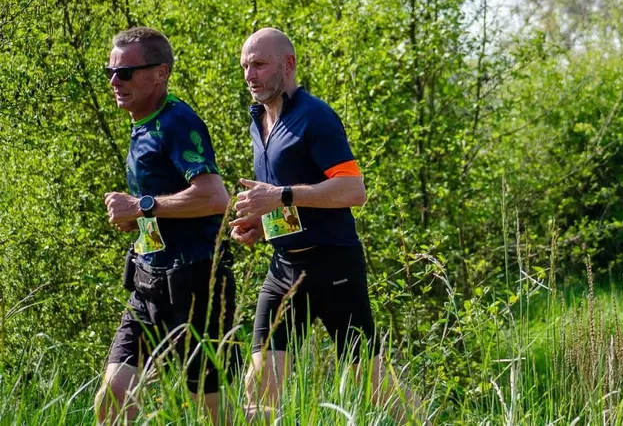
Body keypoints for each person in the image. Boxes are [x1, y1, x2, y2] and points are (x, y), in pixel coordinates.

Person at [229, 28, 421, 423]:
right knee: (258, 384)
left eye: (259, 64)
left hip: (333, 265)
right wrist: (263, 225)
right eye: (245, 66)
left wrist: (280, 196)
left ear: (289, 64)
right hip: (284, 268)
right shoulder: (259, 120)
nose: (250, 74)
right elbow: (294, 198)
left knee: (373, 382)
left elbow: (353, 190)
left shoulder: (315, 116)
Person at [95, 27, 236, 425]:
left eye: (125, 73)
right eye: (110, 71)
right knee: (113, 396)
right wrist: (136, 219)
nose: (114, 82)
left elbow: (214, 198)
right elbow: (163, 204)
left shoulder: (177, 122)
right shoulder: (143, 120)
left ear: (160, 73)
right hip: (147, 282)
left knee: (214, 415)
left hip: (196, 286)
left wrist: (140, 207)